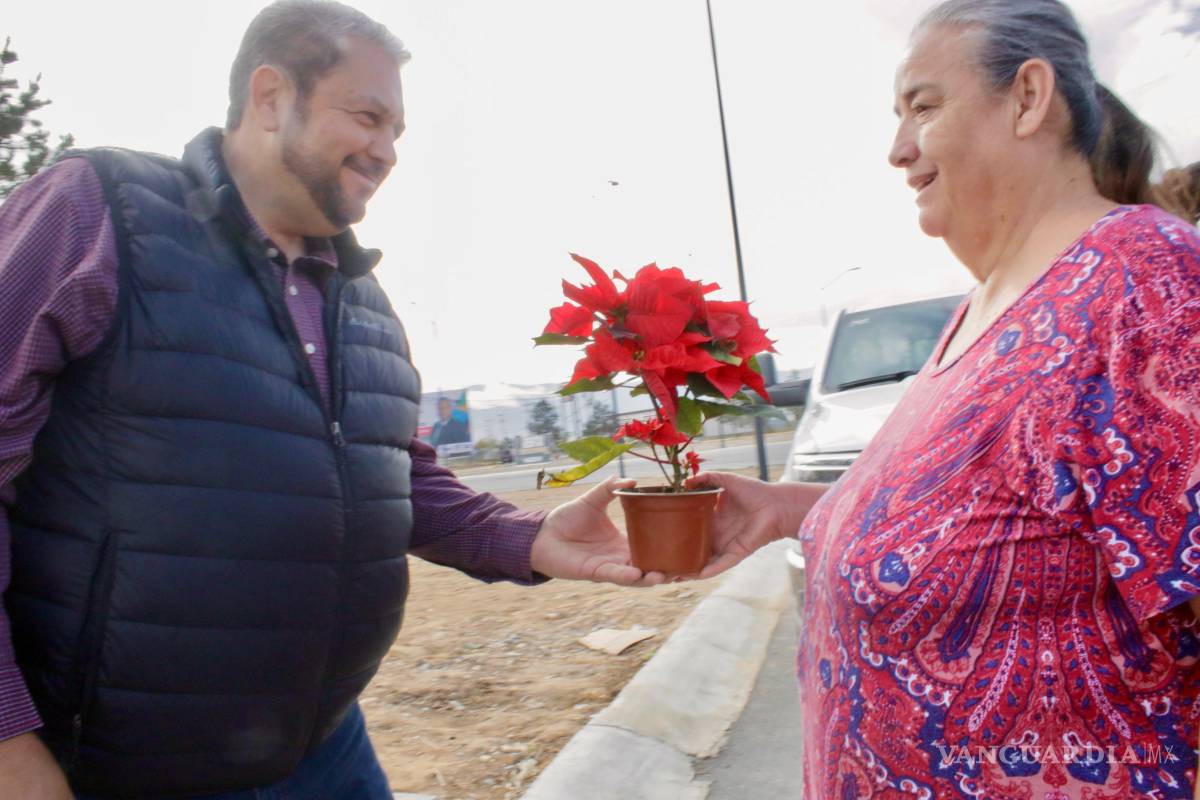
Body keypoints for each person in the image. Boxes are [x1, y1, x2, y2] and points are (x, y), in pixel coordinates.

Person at [0, 3, 675, 798]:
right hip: (124, 764)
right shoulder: (100, 212)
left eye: (398, 132)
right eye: (367, 117)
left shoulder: (364, 301)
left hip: (326, 746)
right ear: (270, 96)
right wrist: (11, 749)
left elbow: (392, 475)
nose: (387, 151)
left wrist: (532, 538)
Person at [691, 1, 1200, 797]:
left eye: (923, 107)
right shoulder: (984, 307)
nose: (898, 150)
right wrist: (796, 511)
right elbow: (1003, 517)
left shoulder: (1147, 287)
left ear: (1028, 98)